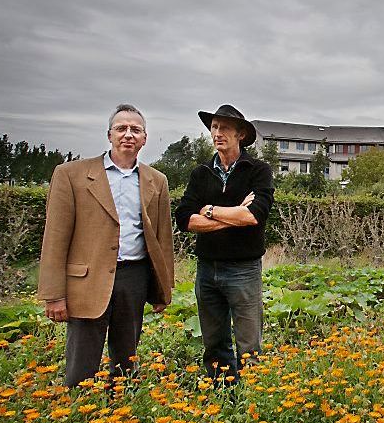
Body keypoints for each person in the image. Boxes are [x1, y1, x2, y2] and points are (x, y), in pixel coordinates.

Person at [38, 104, 175, 388]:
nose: (128, 135)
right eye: (121, 128)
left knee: (127, 359)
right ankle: (79, 412)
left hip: (133, 277)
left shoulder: (156, 180)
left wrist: (163, 289)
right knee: (82, 361)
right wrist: (53, 295)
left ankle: (119, 413)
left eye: (135, 130)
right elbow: (54, 238)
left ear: (144, 138)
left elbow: (162, 239)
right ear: (109, 135)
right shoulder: (71, 175)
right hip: (88, 279)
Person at [175, 104, 274, 379]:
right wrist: (230, 214)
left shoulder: (257, 170)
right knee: (214, 342)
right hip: (207, 269)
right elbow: (184, 219)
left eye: (225, 128)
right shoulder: (200, 172)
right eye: (214, 127)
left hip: (244, 270)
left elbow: (254, 215)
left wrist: (208, 210)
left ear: (240, 134)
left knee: (248, 343)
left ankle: (251, 400)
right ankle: (221, 394)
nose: (217, 133)